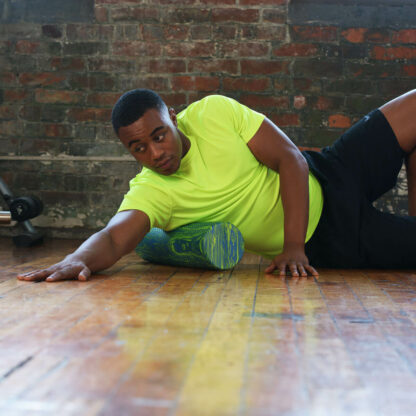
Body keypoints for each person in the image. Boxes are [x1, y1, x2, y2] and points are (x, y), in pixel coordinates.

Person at [17, 89, 416, 283]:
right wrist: (79, 258)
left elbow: (290, 158)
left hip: (331, 169)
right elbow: (113, 237)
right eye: (138, 148)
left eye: (159, 135)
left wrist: (290, 247)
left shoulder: (212, 112)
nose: (154, 153)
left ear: (173, 117)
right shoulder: (153, 191)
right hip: (334, 237)